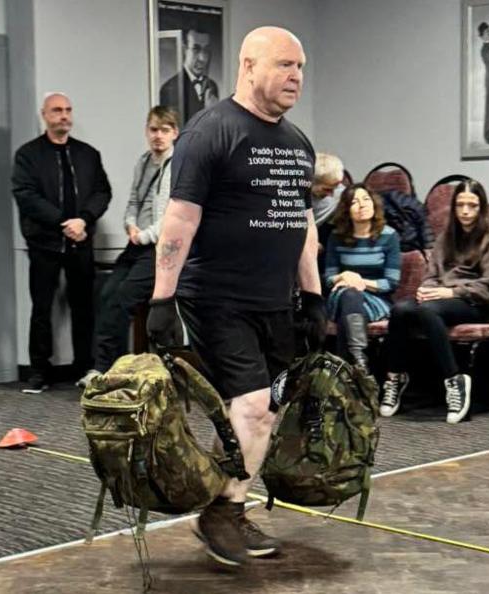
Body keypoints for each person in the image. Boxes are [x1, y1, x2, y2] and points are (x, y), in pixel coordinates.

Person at [146, 26, 324, 566]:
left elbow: (302, 224)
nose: (295, 76)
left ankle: (231, 504)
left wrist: (313, 297)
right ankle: (220, 514)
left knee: (263, 411)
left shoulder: (298, 143)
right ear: (249, 66)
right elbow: (180, 219)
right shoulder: (210, 131)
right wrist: (161, 301)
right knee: (252, 403)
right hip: (216, 297)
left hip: (274, 301)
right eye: (284, 65)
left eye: (301, 68)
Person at [12, 92, 111, 393]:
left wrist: (83, 219)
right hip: (45, 243)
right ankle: (39, 372)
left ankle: (85, 368)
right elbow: (25, 195)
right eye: (57, 110)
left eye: (68, 110)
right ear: (45, 114)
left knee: (84, 308)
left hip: (81, 240)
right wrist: (62, 222)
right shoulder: (28, 155)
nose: (64, 116)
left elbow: (102, 192)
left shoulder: (88, 154)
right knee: (42, 308)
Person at [382, 179, 489, 421]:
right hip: (439, 299)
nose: (466, 211)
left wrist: (451, 292)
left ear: (481, 208)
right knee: (400, 309)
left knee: (428, 311)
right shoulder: (445, 236)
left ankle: (454, 380)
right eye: (460, 205)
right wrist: (426, 290)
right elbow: (432, 275)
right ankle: (395, 377)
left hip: (473, 302)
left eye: (472, 205)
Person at [77, 106, 179, 387]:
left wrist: (145, 235)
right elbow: (133, 201)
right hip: (137, 242)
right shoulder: (144, 161)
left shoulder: (179, 166)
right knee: (107, 293)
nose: (158, 136)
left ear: (175, 133)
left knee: (124, 298)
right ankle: (103, 368)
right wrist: (130, 225)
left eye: (165, 130)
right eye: (154, 130)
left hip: (160, 247)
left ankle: (109, 369)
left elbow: (173, 214)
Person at [323, 184, 401, 371]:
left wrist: (359, 281)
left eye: (366, 200)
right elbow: (328, 278)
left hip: (376, 299)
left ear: (374, 205)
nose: (362, 205)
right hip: (341, 294)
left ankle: (351, 369)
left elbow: (391, 282)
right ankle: (360, 361)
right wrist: (344, 276)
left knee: (347, 315)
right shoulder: (336, 237)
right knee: (349, 295)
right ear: (346, 210)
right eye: (355, 202)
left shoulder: (389, 236)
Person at [159, 27, 220, 125]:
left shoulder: (212, 86)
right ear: (184, 49)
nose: (202, 58)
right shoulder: (169, 89)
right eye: (196, 49)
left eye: (206, 50)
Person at [310, 152, 344, 278]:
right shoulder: (291, 194)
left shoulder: (340, 193)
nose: (331, 194)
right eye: (326, 189)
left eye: (335, 188)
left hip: (322, 242)